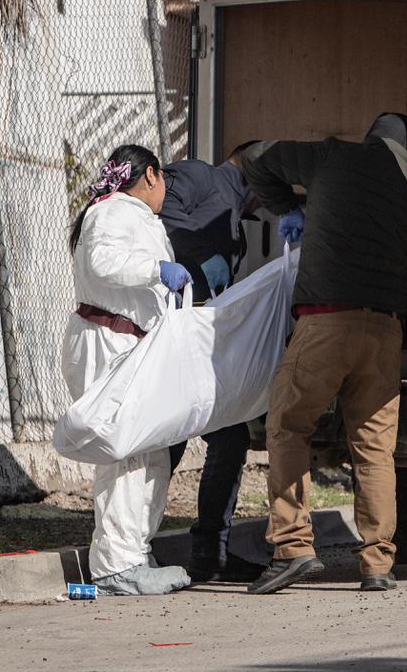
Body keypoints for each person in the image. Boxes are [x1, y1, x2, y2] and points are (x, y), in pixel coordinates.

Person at [240, 113, 407, 594]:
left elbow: (254, 155)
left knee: (287, 424)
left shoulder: (334, 155)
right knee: (374, 448)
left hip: (327, 321)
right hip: (385, 328)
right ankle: (377, 563)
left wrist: (286, 206)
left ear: (371, 136)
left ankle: (292, 546)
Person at [60, 144, 195, 596]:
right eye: (165, 181)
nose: (166, 191)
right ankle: (116, 566)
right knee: (125, 456)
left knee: (150, 453)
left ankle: (134, 552)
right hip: (108, 343)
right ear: (151, 175)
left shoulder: (134, 215)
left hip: (128, 345)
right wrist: (156, 268)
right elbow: (104, 263)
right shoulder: (112, 210)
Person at [158, 142, 266, 583]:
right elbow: (157, 207)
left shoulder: (235, 212)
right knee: (170, 441)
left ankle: (211, 553)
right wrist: (197, 254)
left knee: (230, 438)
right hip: (175, 335)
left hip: (201, 342)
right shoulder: (201, 176)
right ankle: (133, 543)